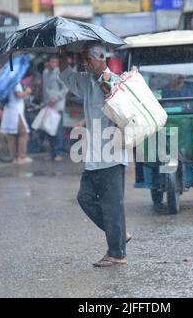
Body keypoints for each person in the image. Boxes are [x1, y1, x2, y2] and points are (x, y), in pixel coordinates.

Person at [58, 43, 131, 267]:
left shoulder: (115, 83)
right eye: (83, 60)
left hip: (112, 155)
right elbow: (66, 75)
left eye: (88, 60)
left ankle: (117, 253)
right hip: (94, 157)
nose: (85, 64)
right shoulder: (88, 83)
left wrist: (111, 95)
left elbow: (126, 116)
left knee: (112, 206)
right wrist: (61, 53)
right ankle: (118, 233)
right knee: (85, 197)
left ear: (100, 58)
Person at [42, 55, 69, 162]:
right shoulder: (45, 73)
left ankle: (58, 153)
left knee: (57, 130)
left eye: (55, 62)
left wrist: (57, 97)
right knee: (49, 130)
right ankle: (52, 152)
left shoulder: (59, 73)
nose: (53, 64)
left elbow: (66, 87)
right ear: (47, 63)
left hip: (57, 106)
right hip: (48, 106)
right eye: (51, 62)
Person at [0, 82, 33, 164]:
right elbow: (18, 95)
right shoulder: (15, 83)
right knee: (23, 133)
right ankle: (21, 157)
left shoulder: (6, 83)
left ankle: (13, 157)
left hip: (9, 111)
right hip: (16, 112)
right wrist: (27, 92)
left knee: (12, 135)